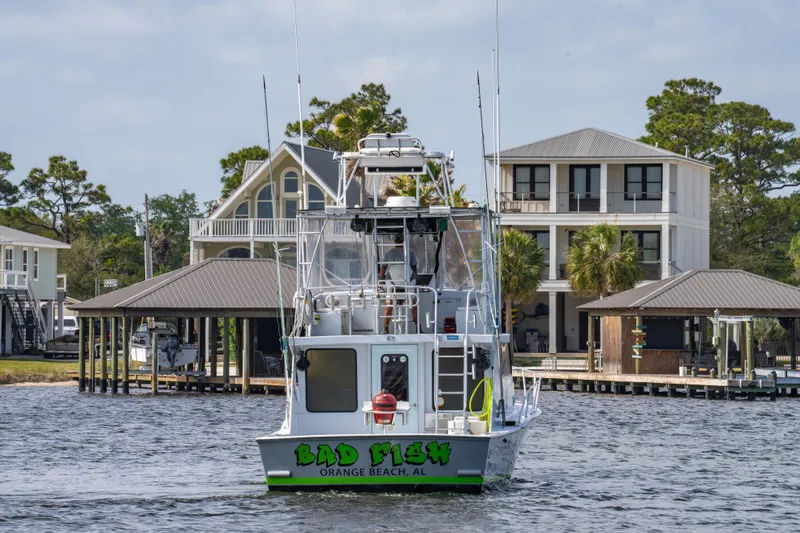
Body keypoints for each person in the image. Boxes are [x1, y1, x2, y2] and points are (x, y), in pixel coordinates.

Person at [379, 234, 417, 333]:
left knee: (389, 302)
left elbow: (383, 270)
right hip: (408, 286)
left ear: (395, 241)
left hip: (392, 286)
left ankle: (385, 328)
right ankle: (418, 327)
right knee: (413, 303)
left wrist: (380, 282)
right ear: (404, 241)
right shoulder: (410, 253)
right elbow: (414, 270)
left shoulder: (389, 253)